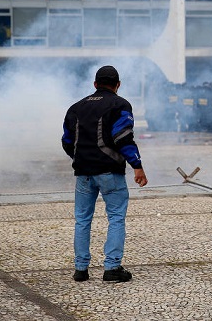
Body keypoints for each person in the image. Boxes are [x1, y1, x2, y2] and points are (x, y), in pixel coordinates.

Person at [62, 65, 148, 283]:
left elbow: (67, 141)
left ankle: (81, 269)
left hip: (83, 173)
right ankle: (112, 268)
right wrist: (137, 165)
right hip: (110, 173)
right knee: (116, 218)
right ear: (118, 85)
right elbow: (123, 138)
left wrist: (80, 158)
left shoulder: (76, 107)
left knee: (82, 220)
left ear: (95, 84)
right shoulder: (120, 105)